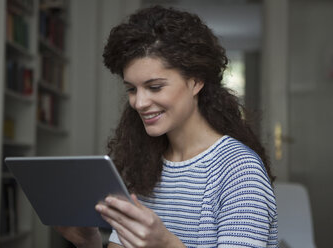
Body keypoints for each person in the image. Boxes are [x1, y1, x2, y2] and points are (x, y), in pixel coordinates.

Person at [56, 5, 278, 248]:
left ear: (196, 81)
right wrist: (89, 243)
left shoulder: (240, 171)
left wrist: (166, 244)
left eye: (155, 87)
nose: (139, 103)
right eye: (132, 89)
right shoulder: (144, 162)